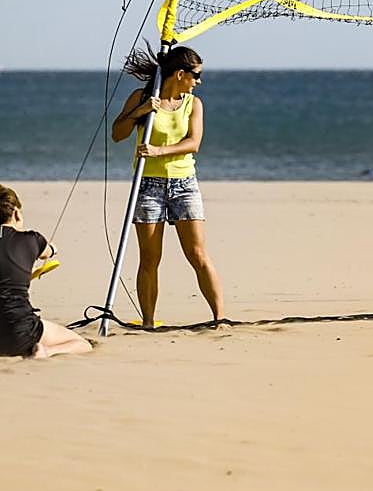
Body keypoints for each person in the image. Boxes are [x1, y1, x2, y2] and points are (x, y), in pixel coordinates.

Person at [111, 46, 225, 324]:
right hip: (148, 185)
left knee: (197, 254)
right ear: (180, 74)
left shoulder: (193, 104)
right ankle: (148, 321)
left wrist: (158, 151)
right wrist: (141, 111)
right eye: (196, 75)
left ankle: (220, 318)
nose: (198, 81)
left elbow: (193, 143)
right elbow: (117, 133)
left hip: (184, 183)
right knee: (150, 258)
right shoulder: (142, 97)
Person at [0, 185, 93, 358]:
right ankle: (46, 352)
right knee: (82, 344)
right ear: (16, 213)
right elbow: (48, 251)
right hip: (19, 332)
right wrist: (52, 249)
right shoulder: (31, 239)